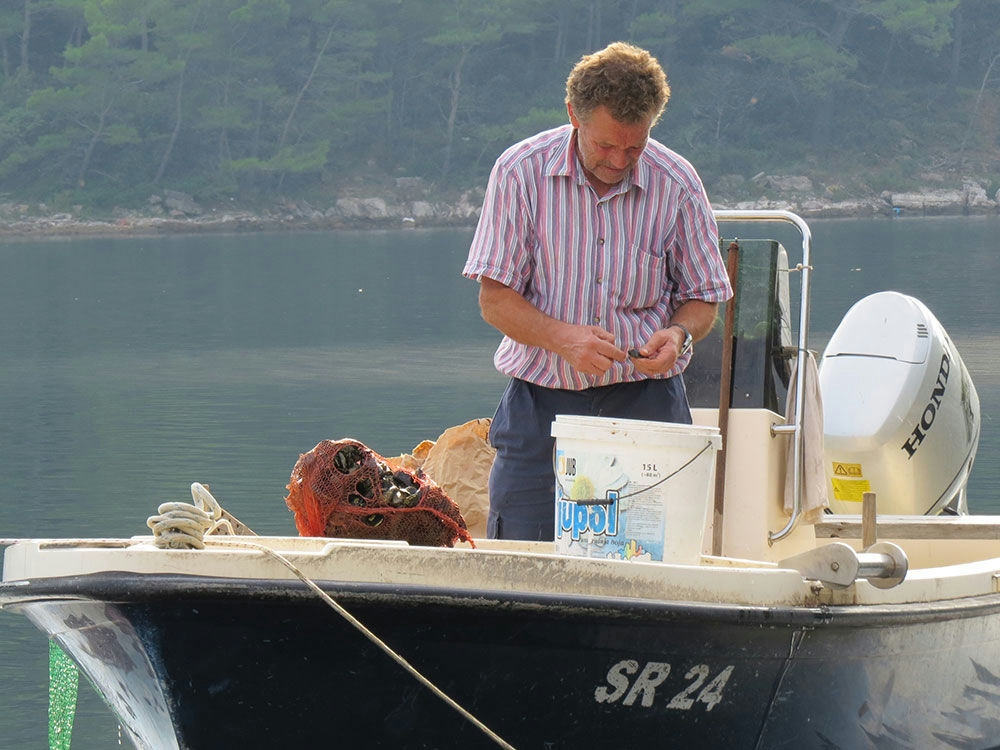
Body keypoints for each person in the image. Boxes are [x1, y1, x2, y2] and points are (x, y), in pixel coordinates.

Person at [463, 41, 733, 541]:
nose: (619, 160)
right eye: (606, 145)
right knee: (524, 563)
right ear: (573, 115)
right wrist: (563, 339)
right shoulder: (519, 172)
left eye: (635, 147)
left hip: (648, 404)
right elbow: (495, 300)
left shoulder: (678, 182)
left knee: (653, 565)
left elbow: (704, 296)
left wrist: (679, 334)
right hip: (539, 406)